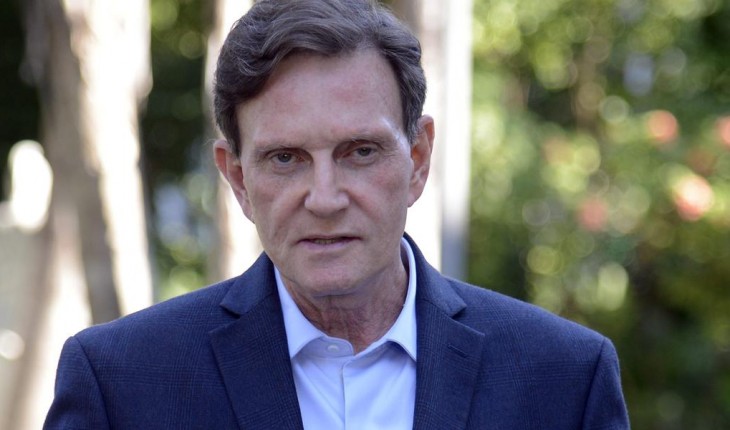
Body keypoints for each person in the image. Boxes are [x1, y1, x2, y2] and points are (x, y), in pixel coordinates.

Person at [44, 0, 630, 428]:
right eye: (285, 158)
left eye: (360, 152)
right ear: (239, 178)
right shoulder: (121, 383)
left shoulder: (563, 379)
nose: (324, 199)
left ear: (418, 160)